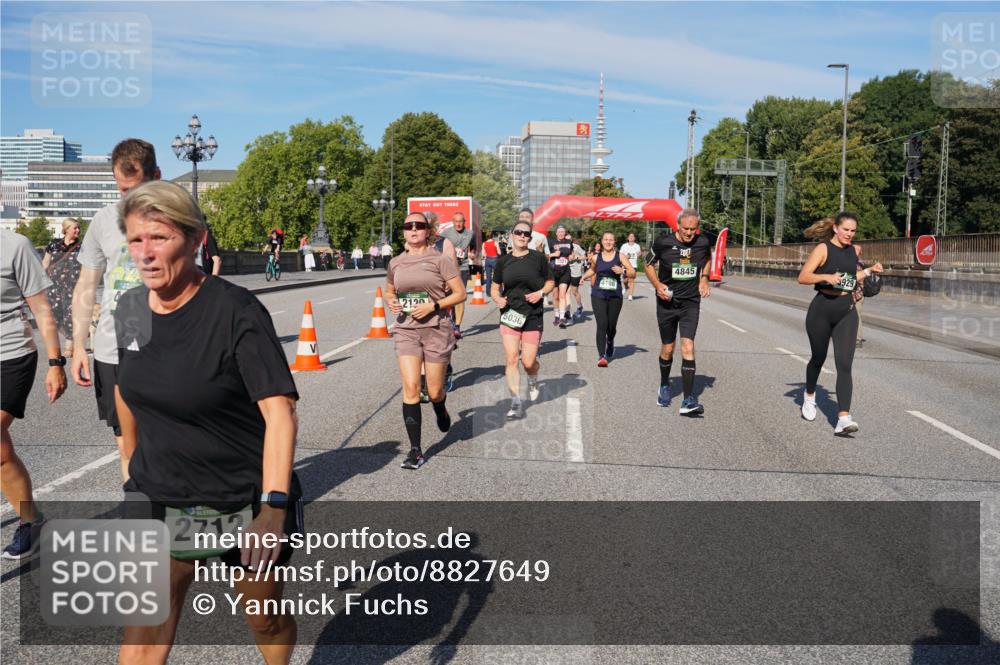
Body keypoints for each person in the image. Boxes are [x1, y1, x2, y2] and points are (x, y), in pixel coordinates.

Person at [113, 181, 302, 662]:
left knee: (264, 616)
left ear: (196, 240)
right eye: (137, 239)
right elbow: (126, 392)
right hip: (160, 494)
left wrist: (273, 508)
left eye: (160, 238)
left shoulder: (235, 310)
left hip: (238, 497)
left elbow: (279, 412)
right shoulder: (131, 309)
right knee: (145, 629)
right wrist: (130, 473)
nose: (146, 253)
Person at [71, 138, 160, 481]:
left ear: (156, 175)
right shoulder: (104, 220)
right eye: (122, 189)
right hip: (112, 348)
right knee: (126, 444)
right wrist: (80, 345)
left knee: (168, 438)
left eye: (136, 189)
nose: (129, 198)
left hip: (164, 344)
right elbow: (86, 285)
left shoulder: (178, 217)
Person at [1, 229, 68, 559]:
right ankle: (33, 521)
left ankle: (31, 523)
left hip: (11, 354)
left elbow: (41, 308)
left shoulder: (15, 246)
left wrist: (56, 362)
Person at [384, 212, 467, 470]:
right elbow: (389, 290)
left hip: (436, 329)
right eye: (409, 226)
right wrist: (392, 301)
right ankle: (416, 451)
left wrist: (434, 305)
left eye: (419, 226)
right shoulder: (396, 263)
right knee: (410, 388)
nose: (413, 230)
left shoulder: (440, 260)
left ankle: (440, 408)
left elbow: (460, 293)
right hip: (406, 329)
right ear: (404, 232)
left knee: (434, 392)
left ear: (428, 231)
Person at [796, 212, 882, 435]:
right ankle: (809, 396)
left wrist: (869, 271)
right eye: (846, 230)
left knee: (844, 365)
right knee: (818, 358)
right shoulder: (823, 249)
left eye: (853, 231)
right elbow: (803, 276)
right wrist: (826, 277)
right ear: (835, 228)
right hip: (821, 311)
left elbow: (851, 277)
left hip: (846, 311)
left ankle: (843, 418)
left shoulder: (855, 250)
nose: (849, 234)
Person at [644, 208, 711, 416]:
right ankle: (665, 384)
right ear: (678, 226)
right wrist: (657, 285)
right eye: (685, 229)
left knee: (688, 345)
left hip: (690, 302)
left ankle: (688, 399)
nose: (689, 233)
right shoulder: (663, 242)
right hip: (667, 302)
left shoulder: (703, 242)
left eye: (693, 229)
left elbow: (707, 259)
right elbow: (647, 264)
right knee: (668, 347)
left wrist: (704, 278)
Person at [490, 218, 555, 419]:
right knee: (511, 358)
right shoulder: (503, 261)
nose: (522, 236)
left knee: (527, 362)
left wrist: (540, 294)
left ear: (530, 237)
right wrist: (497, 299)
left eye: (526, 234)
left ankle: (533, 378)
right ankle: (516, 402)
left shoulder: (538, 259)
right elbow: (494, 287)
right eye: (519, 232)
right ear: (512, 235)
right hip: (510, 314)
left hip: (533, 313)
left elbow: (550, 282)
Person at [584, 231, 635, 367]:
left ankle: (610, 340)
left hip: (615, 296)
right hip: (598, 294)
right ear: (601, 241)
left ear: (614, 242)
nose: (608, 242)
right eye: (605, 239)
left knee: (611, 327)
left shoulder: (620, 256)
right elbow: (593, 270)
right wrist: (583, 277)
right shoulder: (595, 257)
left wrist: (623, 271)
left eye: (611, 240)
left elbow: (633, 273)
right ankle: (602, 356)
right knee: (602, 324)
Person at [42, 219, 82, 356]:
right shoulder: (53, 245)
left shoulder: (82, 247)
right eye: (75, 228)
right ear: (66, 229)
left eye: (78, 228)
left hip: (73, 287)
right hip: (54, 286)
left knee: (70, 316)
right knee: (55, 315)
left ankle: (69, 347)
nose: (78, 230)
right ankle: (72, 338)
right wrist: (40, 282)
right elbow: (45, 263)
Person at [438, 212, 475, 340]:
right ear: (453, 222)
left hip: (463, 267)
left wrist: (472, 253)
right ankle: (448, 321)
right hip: (447, 267)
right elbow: (438, 247)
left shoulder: (470, 233)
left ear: (464, 222)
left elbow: (473, 246)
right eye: (456, 221)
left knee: (460, 296)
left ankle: (457, 327)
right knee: (447, 296)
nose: (458, 224)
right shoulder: (446, 233)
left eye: (461, 221)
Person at [548, 226, 574, 328]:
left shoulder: (569, 242)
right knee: (555, 296)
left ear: (565, 232)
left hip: (565, 271)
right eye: (559, 232)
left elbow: (571, 253)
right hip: (553, 271)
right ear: (556, 233)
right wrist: (554, 254)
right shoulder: (550, 242)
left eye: (563, 231)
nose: (561, 233)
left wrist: (571, 256)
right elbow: (545, 255)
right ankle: (556, 316)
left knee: (562, 294)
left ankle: (562, 318)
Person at [567, 233, 587, 319]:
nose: (568, 241)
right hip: (565, 272)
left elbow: (585, 257)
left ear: (571, 240)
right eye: (566, 239)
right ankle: (567, 313)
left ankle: (580, 306)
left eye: (569, 239)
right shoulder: (562, 247)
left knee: (574, 292)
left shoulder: (576, 247)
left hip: (575, 273)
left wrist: (576, 257)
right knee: (566, 292)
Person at [620, 232, 642, 301]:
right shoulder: (624, 246)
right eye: (630, 236)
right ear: (628, 238)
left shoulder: (637, 246)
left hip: (633, 265)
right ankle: (626, 287)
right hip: (625, 265)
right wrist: (625, 257)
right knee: (625, 280)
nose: (631, 237)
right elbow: (621, 254)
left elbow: (639, 254)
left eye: (632, 236)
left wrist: (639, 254)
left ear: (634, 238)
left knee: (632, 280)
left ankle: (630, 295)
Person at [482, 230, 500, 299]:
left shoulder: (484, 243)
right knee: (497, 276)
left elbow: (484, 254)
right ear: (492, 236)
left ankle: (488, 293)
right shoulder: (495, 242)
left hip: (488, 260)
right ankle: (497, 291)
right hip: (495, 259)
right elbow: (499, 252)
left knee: (488, 277)